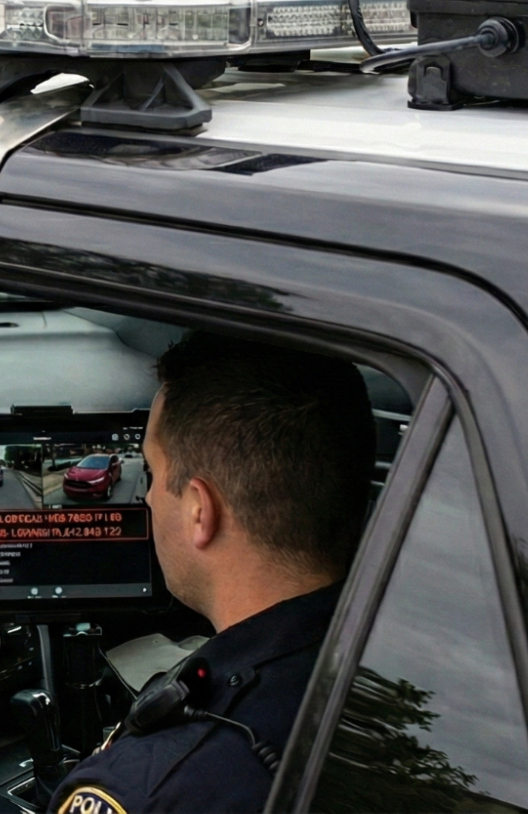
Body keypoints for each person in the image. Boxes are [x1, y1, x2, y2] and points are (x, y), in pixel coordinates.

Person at [48, 332, 375, 814]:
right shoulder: (408, 655)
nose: (149, 498)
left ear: (201, 510)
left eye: (155, 475)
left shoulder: (146, 791)